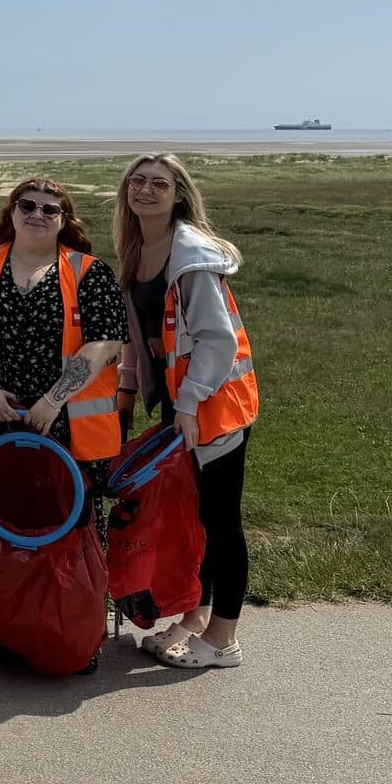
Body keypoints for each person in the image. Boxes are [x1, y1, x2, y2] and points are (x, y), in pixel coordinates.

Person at [0, 179, 129, 584]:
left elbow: (105, 342)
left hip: (64, 429)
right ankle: (10, 627)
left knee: (67, 538)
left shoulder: (90, 273)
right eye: (27, 206)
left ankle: (70, 635)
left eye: (49, 209)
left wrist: (52, 400)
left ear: (64, 221)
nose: (37, 214)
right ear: (12, 213)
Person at [114, 154, 260, 670]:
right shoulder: (139, 250)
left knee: (221, 520)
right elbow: (139, 334)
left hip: (215, 405)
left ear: (179, 194)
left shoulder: (191, 255)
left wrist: (192, 404)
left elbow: (218, 341)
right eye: (138, 181)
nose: (146, 190)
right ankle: (196, 616)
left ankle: (225, 637)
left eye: (160, 183)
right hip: (183, 405)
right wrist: (128, 388)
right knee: (197, 517)